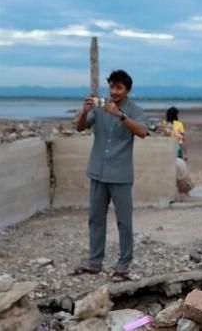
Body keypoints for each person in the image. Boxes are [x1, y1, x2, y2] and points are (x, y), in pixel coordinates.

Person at [71, 70, 147, 282]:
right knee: (95, 219)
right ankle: (94, 262)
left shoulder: (134, 110)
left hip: (121, 174)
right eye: (112, 87)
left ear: (127, 90)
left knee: (124, 221)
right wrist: (85, 112)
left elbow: (142, 132)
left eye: (119, 88)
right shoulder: (101, 108)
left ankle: (123, 265)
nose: (114, 92)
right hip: (97, 171)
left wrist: (120, 115)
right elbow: (80, 128)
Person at [166, 106, 194, 202]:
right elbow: (182, 139)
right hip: (178, 148)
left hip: (167, 148)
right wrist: (186, 153)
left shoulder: (164, 123)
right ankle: (182, 192)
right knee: (180, 169)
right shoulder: (179, 124)